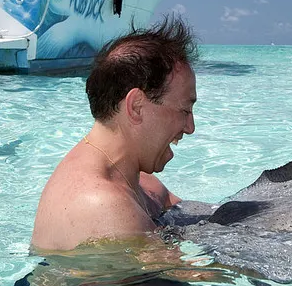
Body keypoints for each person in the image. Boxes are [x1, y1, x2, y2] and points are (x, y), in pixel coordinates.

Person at [30, 15, 198, 252]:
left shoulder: (135, 180)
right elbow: (186, 271)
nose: (190, 127)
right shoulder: (102, 205)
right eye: (185, 110)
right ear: (136, 106)